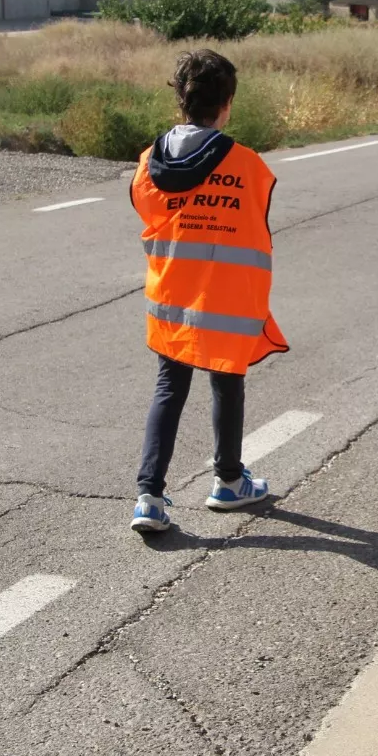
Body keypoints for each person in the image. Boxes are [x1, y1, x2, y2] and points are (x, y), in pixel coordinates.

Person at [128, 49, 289, 534]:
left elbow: (150, 215)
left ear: (181, 101)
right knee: (227, 383)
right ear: (228, 103)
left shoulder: (147, 164)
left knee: (169, 388)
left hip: (171, 299)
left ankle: (149, 499)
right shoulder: (249, 166)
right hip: (226, 303)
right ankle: (229, 481)